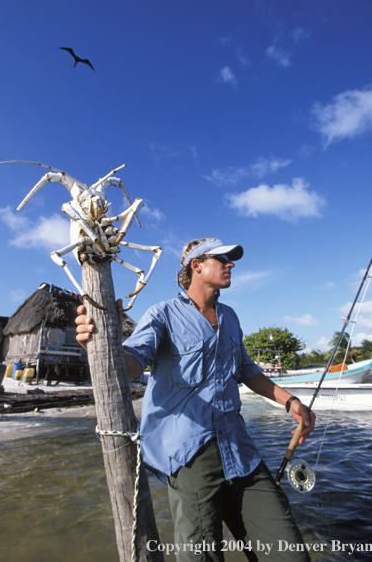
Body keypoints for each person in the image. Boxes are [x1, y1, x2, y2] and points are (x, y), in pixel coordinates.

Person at [76, 237, 315, 562]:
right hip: (190, 457)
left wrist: (290, 402)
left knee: (290, 554)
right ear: (196, 265)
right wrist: (105, 344)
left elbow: (246, 369)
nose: (231, 264)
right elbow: (132, 363)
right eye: (223, 259)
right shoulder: (163, 314)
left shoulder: (230, 317)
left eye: (231, 260)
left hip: (241, 452)